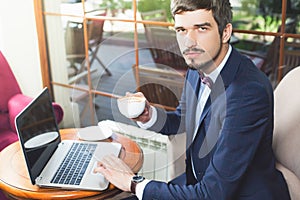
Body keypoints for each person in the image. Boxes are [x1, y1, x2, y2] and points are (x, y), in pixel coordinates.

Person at [94, 0, 291, 199]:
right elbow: (185, 118)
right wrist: (149, 116)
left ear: (225, 32)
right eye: (181, 30)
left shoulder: (247, 93)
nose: (189, 42)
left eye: (201, 28)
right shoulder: (198, 66)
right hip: (196, 182)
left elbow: (212, 194)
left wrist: (133, 182)